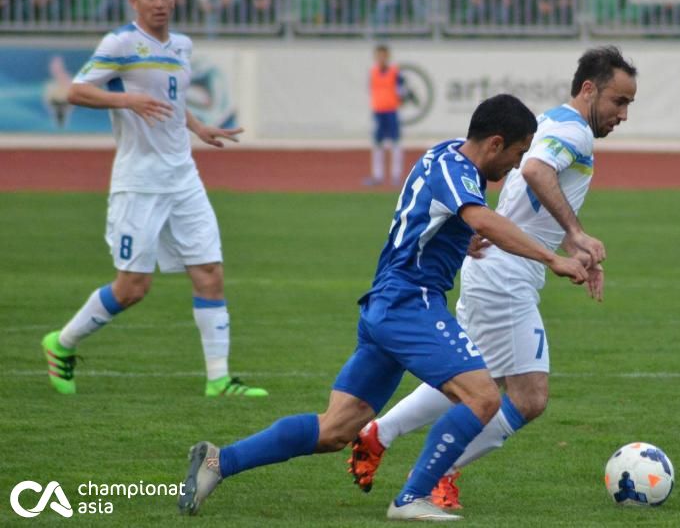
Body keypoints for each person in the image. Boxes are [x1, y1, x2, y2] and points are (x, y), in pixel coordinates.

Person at [178, 94, 590, 521]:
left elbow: (429, 217)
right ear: (495, 143)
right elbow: (482, 219)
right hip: (410, 302)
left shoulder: (443, 154)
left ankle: (218, 461)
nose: (516, 166)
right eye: (518, 154)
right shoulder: (459, 169)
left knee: (336, 428)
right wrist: (553, 258)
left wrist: (455, 238)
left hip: (385, 305)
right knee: (482, 397)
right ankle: (412, 497)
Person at [348, 46, 637, 510]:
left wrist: (574, 245)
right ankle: (433, 476)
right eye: (618, 101)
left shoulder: (556, 123)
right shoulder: (574, 133)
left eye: (628, 105)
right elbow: (537, 172)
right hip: (506, 276)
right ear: (589, 89)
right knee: (526, 395)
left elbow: (529, 207)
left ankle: (382, 433)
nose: (622, 114)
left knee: (476, 380)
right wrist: (575, 233)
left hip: (500, 269)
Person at [41, 0, 267, 398]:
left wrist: (199, 127)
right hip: (139, 183)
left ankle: (219, 379)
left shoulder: (181, 45)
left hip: (183, 178)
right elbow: (75, 90)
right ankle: (61, 343)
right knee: (132, 288)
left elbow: (172, 100)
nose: (160, 3)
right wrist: (128, 99)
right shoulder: (121, 43)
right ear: (133, 0)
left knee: (209, 273)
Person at [365, 45, 405, 187]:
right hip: (378, 112)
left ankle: (396, 176)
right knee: (377, 144)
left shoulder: (395, 73)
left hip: (391, 112)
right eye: (379, 55)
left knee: (395, 143)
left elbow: (402, 91)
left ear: (388, 56)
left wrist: (400, 100)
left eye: (384, 55)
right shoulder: (373, 72)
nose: (381, 58)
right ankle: (377, 176)